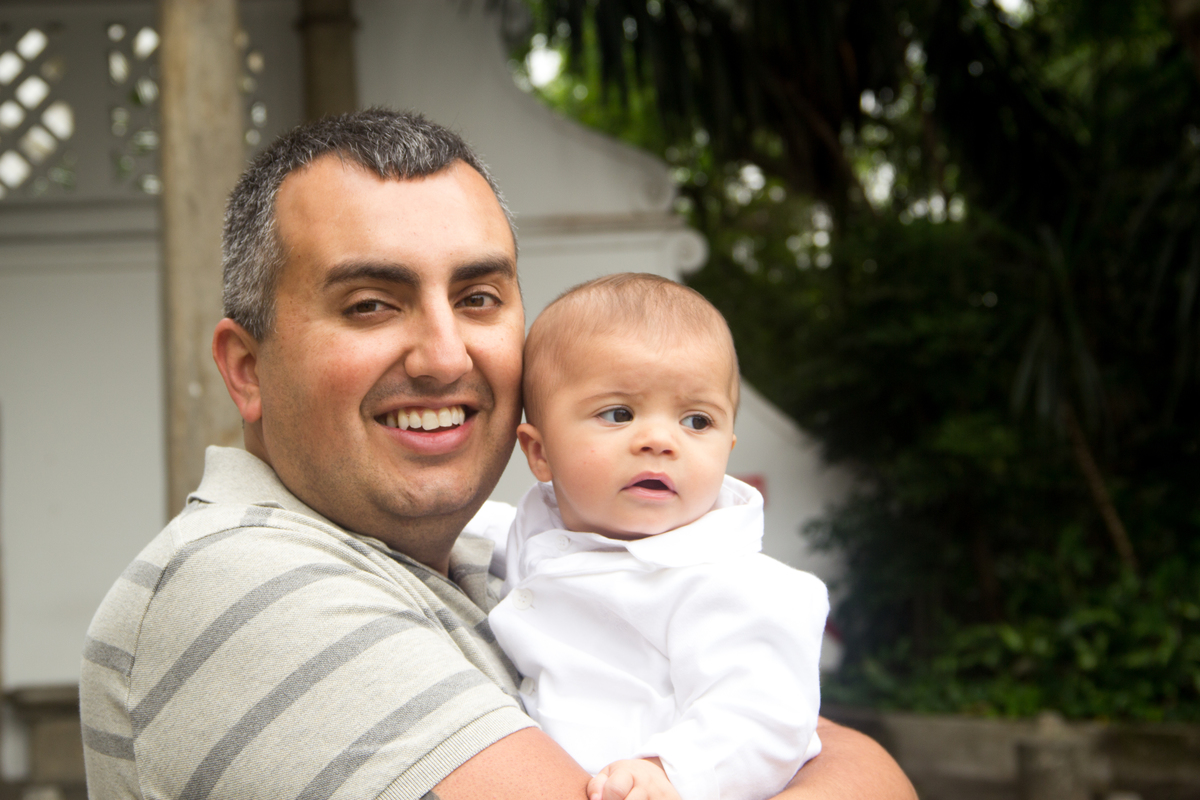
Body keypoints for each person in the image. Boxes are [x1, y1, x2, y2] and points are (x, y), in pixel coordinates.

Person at [80, 109, 916, 800]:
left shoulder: (517, 543)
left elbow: (817, 743)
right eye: (372, 304)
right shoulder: (244, 581)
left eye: (479, 298)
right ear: (248, 368)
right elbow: (844, 767)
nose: (445, 356)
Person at [472, 273, 828, 800]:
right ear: (540, 452)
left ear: (728, 445)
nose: (661, 440)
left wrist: (670, 771)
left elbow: (766, 714)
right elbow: (484, 530)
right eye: (619, 414)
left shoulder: (736, 586)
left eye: (696, 420)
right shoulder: (538, 529)